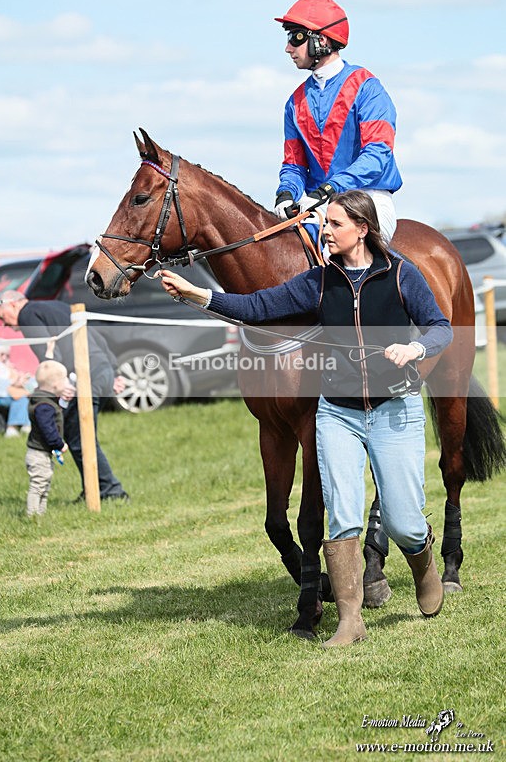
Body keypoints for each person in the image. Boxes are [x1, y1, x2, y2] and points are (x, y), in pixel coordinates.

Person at [156, 190, 453, 648]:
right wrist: (198, 294)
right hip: (338, 414)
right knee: (342, 518)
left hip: (395, 411)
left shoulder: (401, 276)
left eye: (333, 224)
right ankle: (349, 621)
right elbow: (256, 307)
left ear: (362, 229)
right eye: (324, 224)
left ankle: (421, 556)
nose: (323, 232)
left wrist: (415, 348)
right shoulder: (317, 282)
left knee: (402, 521)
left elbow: (440, 328)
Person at [273, 0, 402, 245]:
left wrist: (330, 189)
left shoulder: (368, 88)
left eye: (295, 37)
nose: (288, 48)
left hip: (367, 198)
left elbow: (377, 154)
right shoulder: (295, 101)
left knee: (336, 244)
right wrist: (287, 193)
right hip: (317, 202)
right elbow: (294, 165)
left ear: (320, 40)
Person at [0, 293, 129, 503]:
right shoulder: (56, 306)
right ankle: (96, 488)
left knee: (78, 437)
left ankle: (110, 490)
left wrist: (59, 384)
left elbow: (47, 361)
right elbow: (95, 336)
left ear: (13, 304)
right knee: (82, 435)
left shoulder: (27, 315)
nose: (5, 325)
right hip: (101, 371)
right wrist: (112, 370)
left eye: (3, 317)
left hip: (84, 375)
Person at [26, 360, 69, 517]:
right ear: (56, 384)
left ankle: (40, 515)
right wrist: (59, 444)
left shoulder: (43, 399)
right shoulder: (44, 405)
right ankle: (32, 516)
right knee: (38, 485)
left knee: (45, 484)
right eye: (65, 379)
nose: (67, 383)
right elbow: (48, 429)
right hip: (39, 454)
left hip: (42, 453)